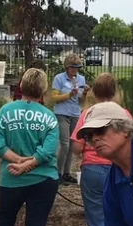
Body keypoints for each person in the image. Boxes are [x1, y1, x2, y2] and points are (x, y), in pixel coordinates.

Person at [0, 67, 60, 226]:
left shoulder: (5, 111)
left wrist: (17, 161)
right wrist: (28, 163)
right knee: (35, 225)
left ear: (21, 86)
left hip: (11, 178)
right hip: (43, 179)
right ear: (43, 90)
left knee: (5, 220)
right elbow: (48, 151)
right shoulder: (49, 117)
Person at [71, 73, 133, 226]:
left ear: (94, 92)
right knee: (122, 214)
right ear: (114, 91)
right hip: (118, 168)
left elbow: (76, 147)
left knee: (97, 217)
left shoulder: (87, 114)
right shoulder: (123, 114)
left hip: (92, 169)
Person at [50, 54, 90, 184]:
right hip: (62, 114)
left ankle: (66, 173)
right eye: (72, 67)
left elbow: (81, 101)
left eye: (77, 67)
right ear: (67, 67)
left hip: (75, 114)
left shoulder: (81, 79)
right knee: (65, 144)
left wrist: (84, 93)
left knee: (73, 145)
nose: (75, 70)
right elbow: (54, 98)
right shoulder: (59, 78)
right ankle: (57, 173)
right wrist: (68, 95)